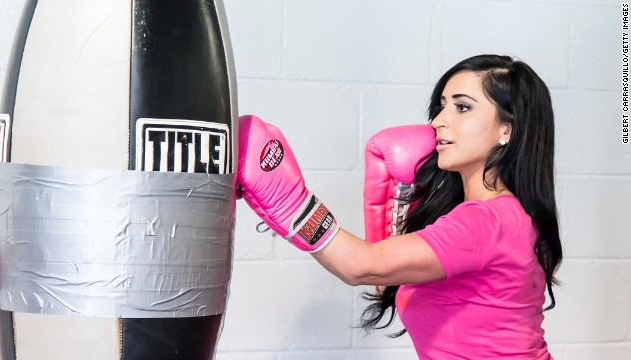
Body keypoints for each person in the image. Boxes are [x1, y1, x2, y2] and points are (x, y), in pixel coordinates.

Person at [236, 54, 562, 359]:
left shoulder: (484, 221)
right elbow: (385, 285)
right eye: (440, 106)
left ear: (507, 128)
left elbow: (360, 267)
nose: (438, 121)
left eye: (462, 108)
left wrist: (289, 202)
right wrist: (398, 199)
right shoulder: (509, 213)